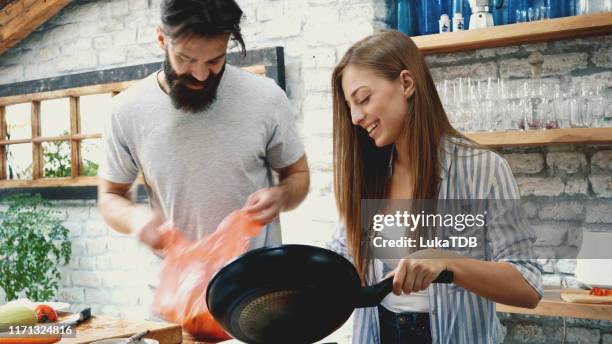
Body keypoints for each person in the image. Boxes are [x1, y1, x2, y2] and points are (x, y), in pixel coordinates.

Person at [328, 30, 542, 344]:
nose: (356, 117)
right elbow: (340, 257)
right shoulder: (370, 176)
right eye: (350, 107)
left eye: (363, 99)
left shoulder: (482, 170)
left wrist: (448, 263)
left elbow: (528, 285)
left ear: (406, 83)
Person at [98, 0, 309, 258]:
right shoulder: (125, 110)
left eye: (214, 60)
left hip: (254, 287)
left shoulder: (266, 97)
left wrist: (281, 196)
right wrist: (135, 218)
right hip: (178, 288)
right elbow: (110, 196)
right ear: (162, 39)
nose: (200, 75)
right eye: (186, 59)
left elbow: (297, 174)